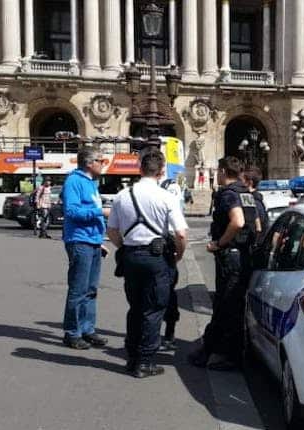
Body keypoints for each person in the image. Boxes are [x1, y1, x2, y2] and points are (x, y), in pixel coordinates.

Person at [106, 149, 187, 377]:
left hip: (131, 256)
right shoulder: (166, 196)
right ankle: (145, 361)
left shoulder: (123, 195)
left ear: (139, 169)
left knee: (135, 308)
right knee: (153, 309)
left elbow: (111, 230)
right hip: (156, 258)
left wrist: (124, 247)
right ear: (162, 171)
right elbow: (180, 234)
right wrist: (178, 256)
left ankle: (131, 357)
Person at [189, 157, 258, 371]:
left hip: (231, 256)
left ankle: (230, 357)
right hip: (243, 254)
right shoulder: (246, 193)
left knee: (227, 306)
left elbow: (237, 221)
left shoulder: (229, 194)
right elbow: (256, 225)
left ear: (221, 171)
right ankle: (217, 350)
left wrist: (220, 243)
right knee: (231, 306)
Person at [61, 148, 111, 350]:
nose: (103, 163)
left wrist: (99, 240)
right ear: (89, 163)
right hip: (79, 241)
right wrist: (100, 211)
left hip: (92, 241)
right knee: (78, 289)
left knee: (91, 289)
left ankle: (87, 329)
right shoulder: (74, 181)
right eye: (101, 160)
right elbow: (72, 211)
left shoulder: (91, 183)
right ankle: (72, 332)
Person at [159, 173, 187, 348]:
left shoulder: (171, 185)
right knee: (167, 292)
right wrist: (180, 253)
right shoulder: (166, 186)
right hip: (165, 244)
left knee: (165, 292)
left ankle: (167, 334)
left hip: (163, 241)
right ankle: (164, 335)